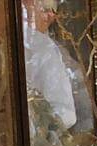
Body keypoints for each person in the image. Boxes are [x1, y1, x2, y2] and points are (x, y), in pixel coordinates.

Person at [21, 0, 77, 129]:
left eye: (53, 11)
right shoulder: (40, 46)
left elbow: (65, 113)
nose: (51, 16)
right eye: (45, 10)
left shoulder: (47, 48)